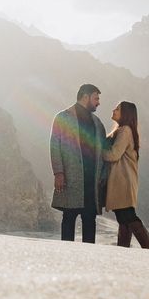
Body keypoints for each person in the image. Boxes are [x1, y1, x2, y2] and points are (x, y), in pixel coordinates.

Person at [50, 84, 107, 243]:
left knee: (90, 219)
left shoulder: (97, 123)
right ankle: (66, 256)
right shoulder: (63, 117)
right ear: (85, 96)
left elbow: (103, 151)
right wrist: (58, 172)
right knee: (69, 216)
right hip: (70, 177)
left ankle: (89, 259)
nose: (98, 102)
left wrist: (103, 175)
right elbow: (55, 145)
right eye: (96, 98)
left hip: (91, 181)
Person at [103, 100, 149, 249]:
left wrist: (96, 151)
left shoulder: (125, 130)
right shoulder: (123, 130)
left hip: (122, 182)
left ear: (125, 114)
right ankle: (123, 251)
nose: (113, 110)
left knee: (128, 216)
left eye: (117, 109)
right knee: (123, 218)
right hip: (124, 181)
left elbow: (113, 155)